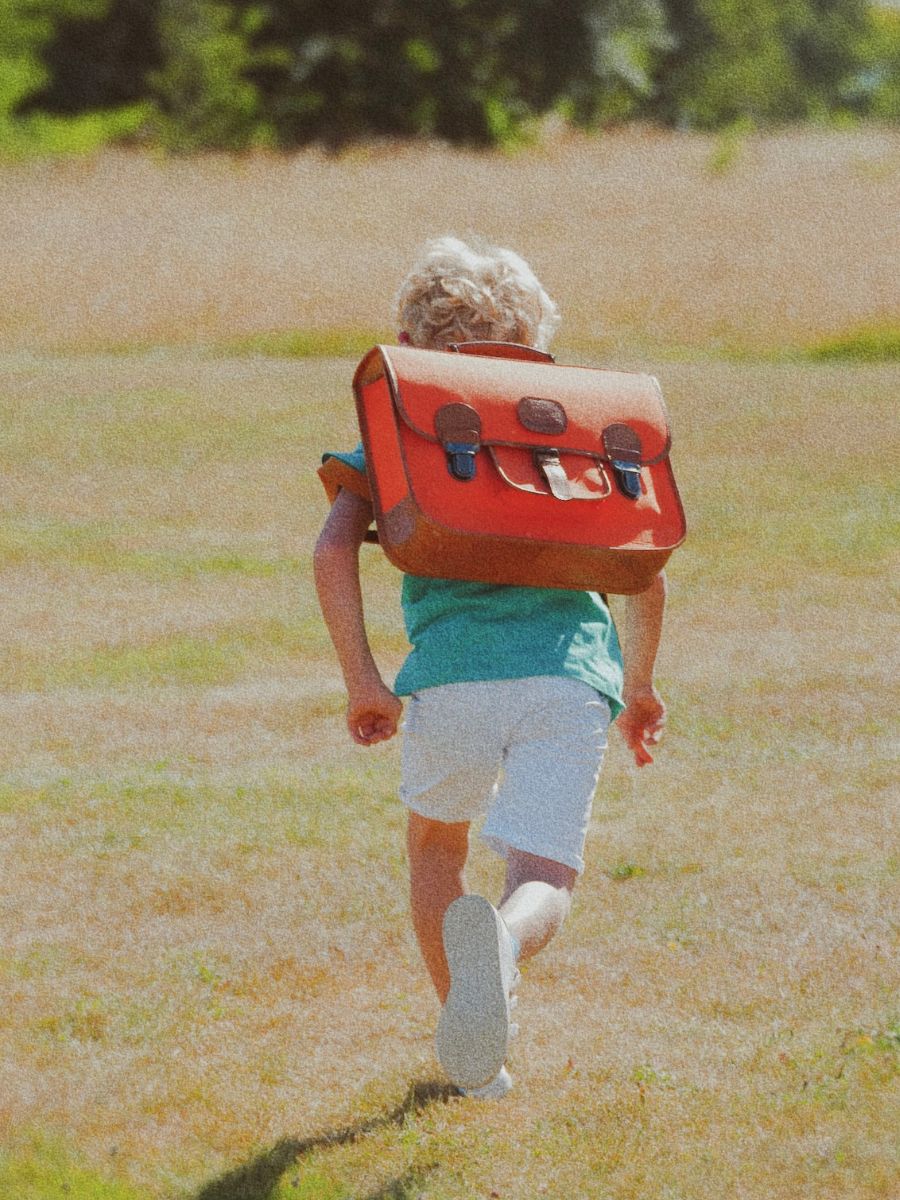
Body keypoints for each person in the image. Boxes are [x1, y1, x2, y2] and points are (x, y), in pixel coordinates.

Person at [314, 236, 667, 1099]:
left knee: (436, 852)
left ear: (411, 346)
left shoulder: (396, 440)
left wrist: (363, 680)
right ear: (534, 347)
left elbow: (331, 551)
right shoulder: (575, 437)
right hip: (570, 681)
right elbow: (644, 570)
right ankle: (504, 944)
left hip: (451, 681)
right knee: (543, 875)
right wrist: (640, 686)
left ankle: (479, 1058)